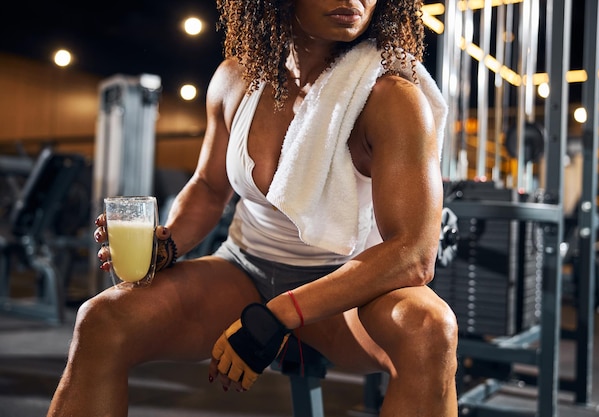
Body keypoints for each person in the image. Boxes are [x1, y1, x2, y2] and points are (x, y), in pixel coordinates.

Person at [47, 1, 459, 416]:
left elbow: (413, 255)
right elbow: (209, 188)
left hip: (345, 293)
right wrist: (167, 245)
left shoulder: (392, 99)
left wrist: (280, 314)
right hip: (245, 271)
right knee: (101, 320)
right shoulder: (235, 79)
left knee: (431, 331)